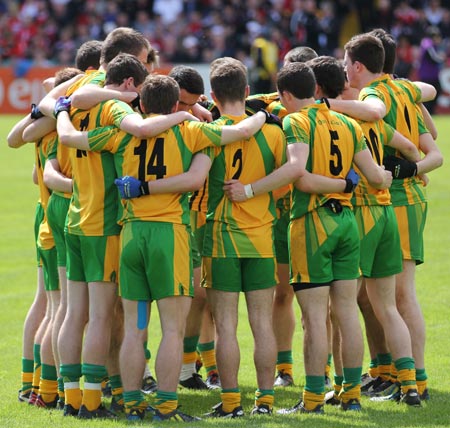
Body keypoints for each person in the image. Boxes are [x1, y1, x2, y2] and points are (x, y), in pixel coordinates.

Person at [54, 71, 270, 422]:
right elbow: (243, 130)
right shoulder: (191, 131)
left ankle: (134, 403)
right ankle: (166, 406)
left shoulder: (121, 134)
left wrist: (61, 110)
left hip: (131, 237)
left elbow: (70, 138)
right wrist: (262, 113)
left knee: (137, 327)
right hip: (170, 238)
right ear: (174, 105)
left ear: (141, 103)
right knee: (172, 328)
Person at [224, 61, 391, 414]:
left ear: (284, 95)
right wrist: (380, 178)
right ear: (315, 89)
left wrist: (250, 189)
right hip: (347, 222)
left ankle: (314, 399)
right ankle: (351, 395)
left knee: (315, 317)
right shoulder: (347, 123)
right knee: (345, 311)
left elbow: (299, 173)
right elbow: (376, 177)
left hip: (312, 223)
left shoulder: (295, 121)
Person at [328, 32, 443, 402]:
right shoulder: (405, 90)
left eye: (347, 65)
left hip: (391, 199)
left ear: (360, 66)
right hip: (401, 197)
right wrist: (415, 167)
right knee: (382, 297)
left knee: (396, 296)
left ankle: (412, 378)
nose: (346, 71)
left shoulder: (373, 97)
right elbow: (433, 134)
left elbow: (391, 123)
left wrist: (405, 172)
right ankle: (395, 374)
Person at [196, 57, 286, 418]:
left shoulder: (209, 133)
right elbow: (283, 182)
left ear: (213, 96)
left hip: (220, 240)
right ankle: (265, 401)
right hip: (262, 238)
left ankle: (231, 402)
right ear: (248, 92)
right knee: (262, 323)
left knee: (226, 325)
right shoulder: (275, 133)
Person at [168, 64, 220, 391]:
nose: (187, 110)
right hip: (163, 218)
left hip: (200, 217)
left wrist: (196, 110)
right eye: (182, 103)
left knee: (204, 296)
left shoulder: (205, 116)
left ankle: (200, 367)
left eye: (192, 102)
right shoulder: (144, 116)